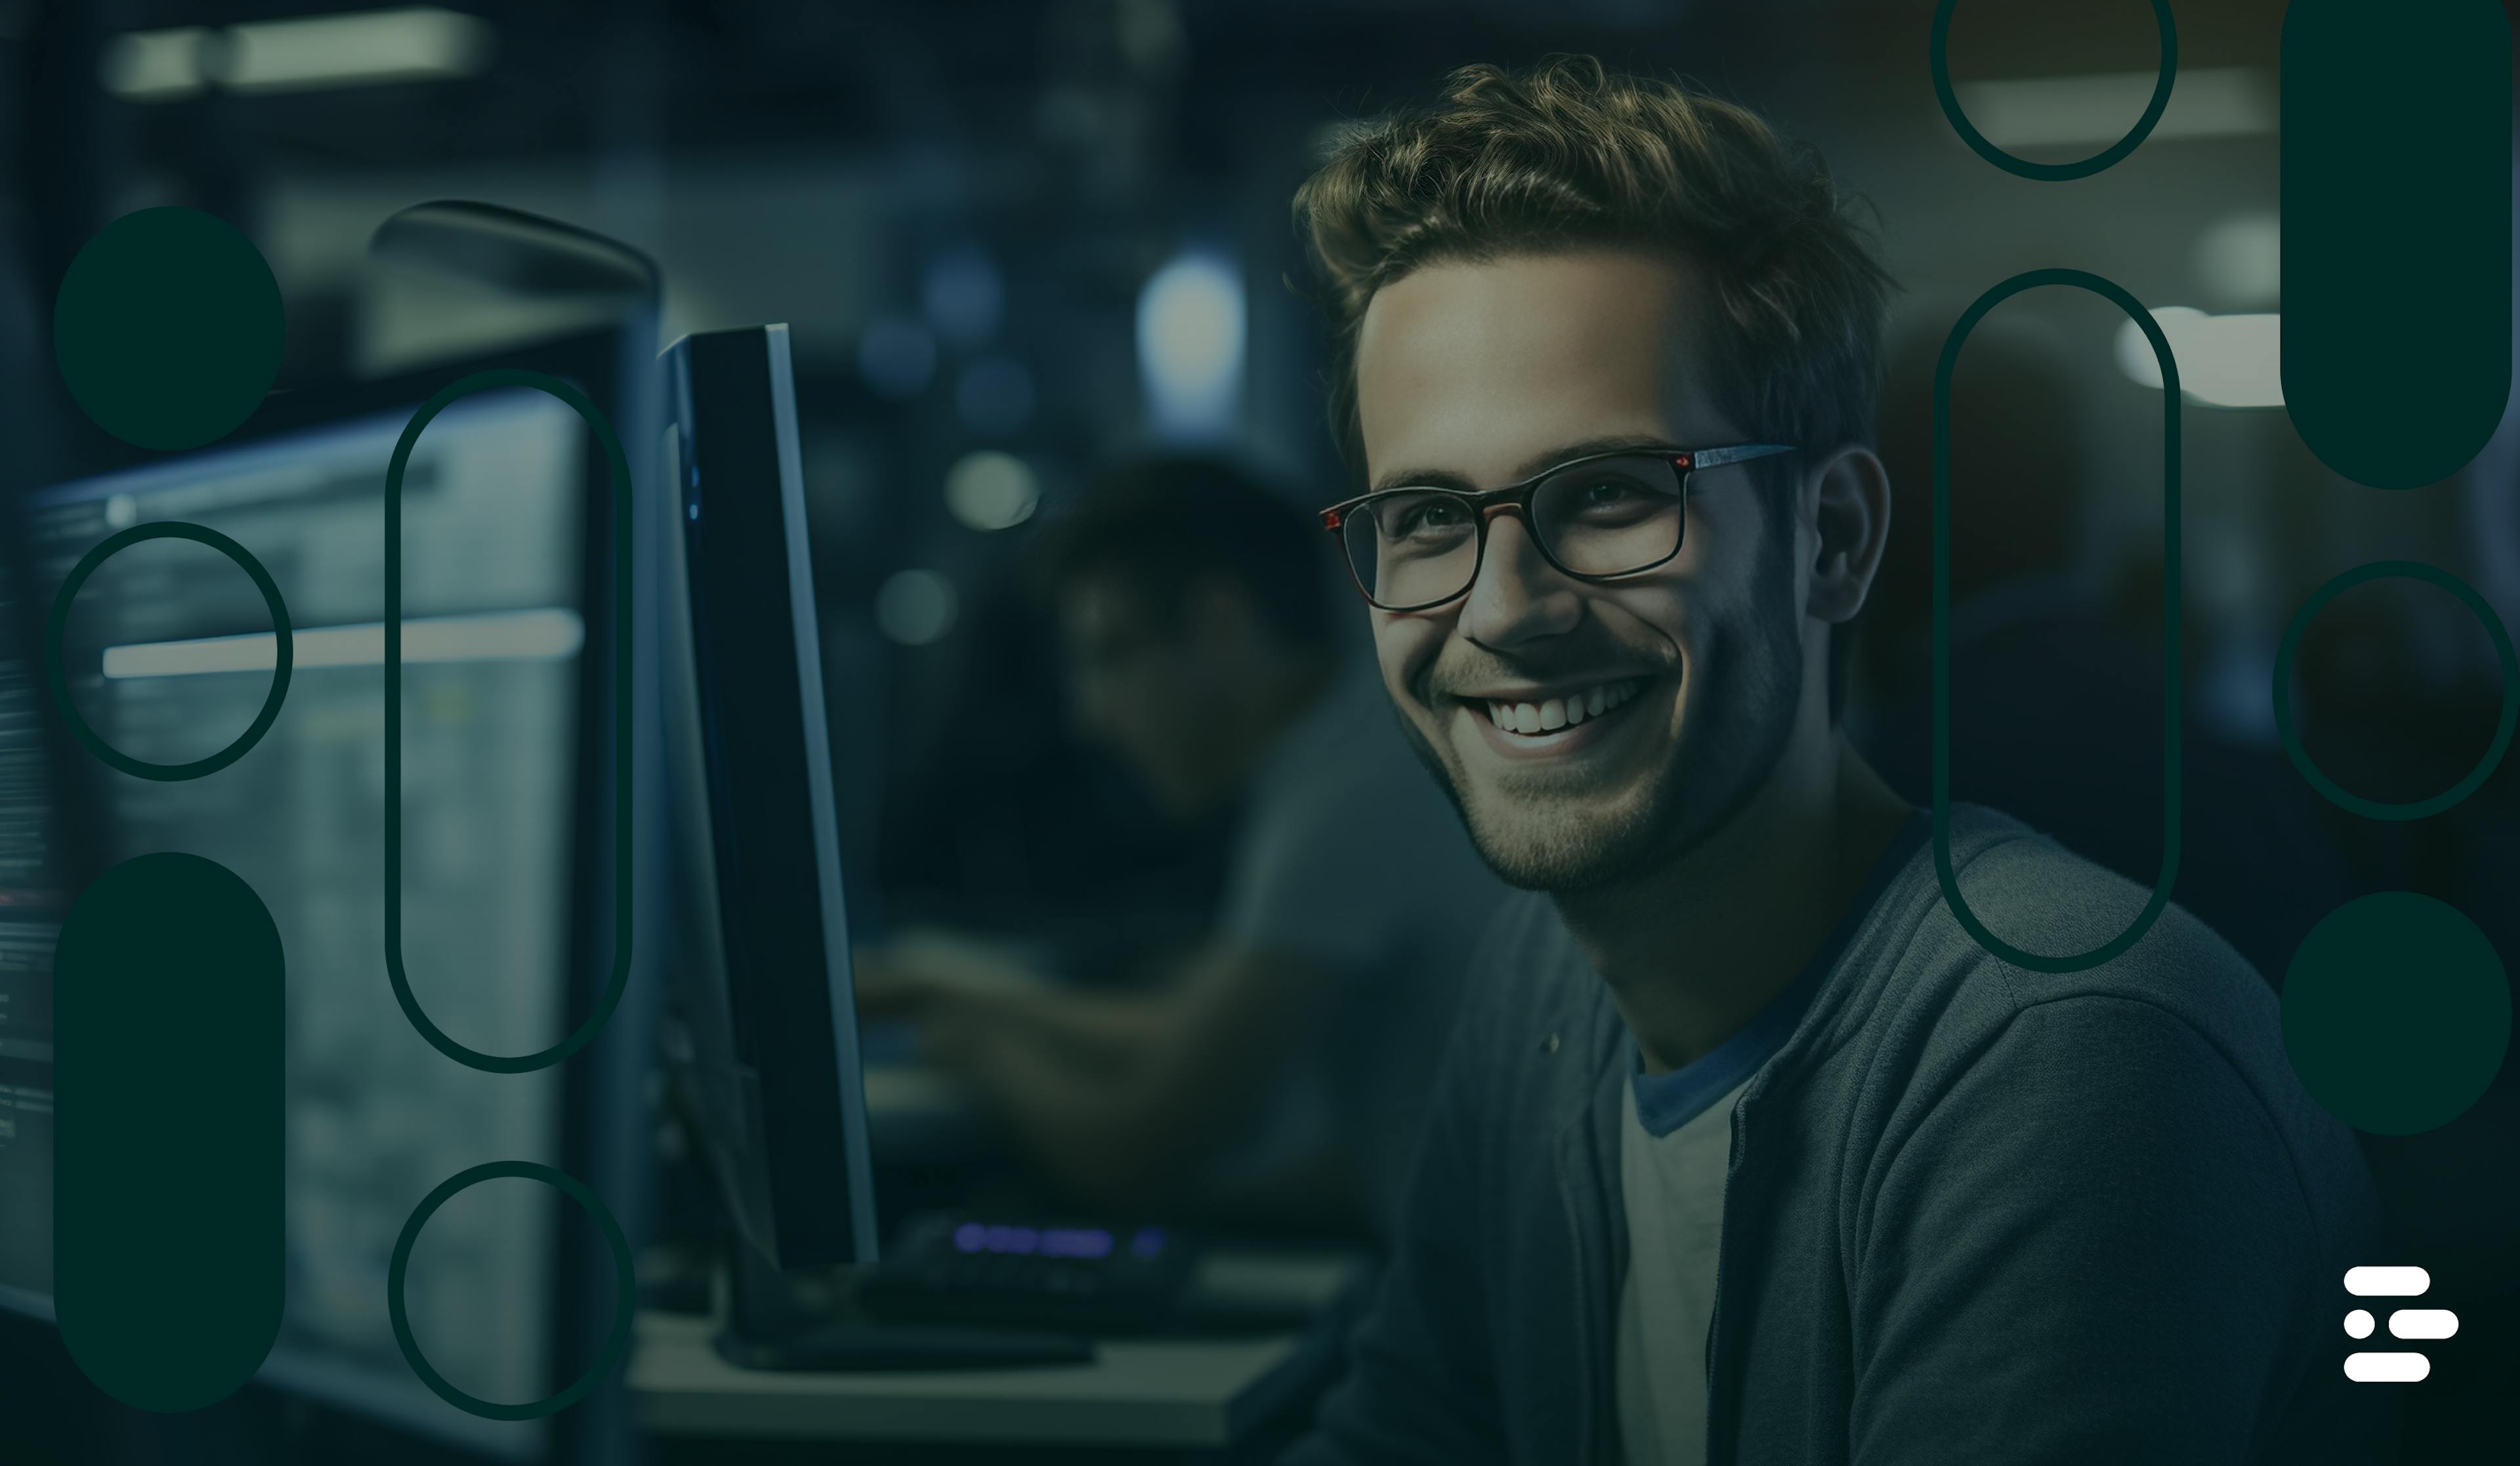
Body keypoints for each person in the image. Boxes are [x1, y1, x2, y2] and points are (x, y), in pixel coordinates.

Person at [1280, 58, 2387, 1465]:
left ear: (1839, 538)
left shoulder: (2068, 1054)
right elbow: (1409, 1430)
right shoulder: (1543, 985)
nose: (1503, 609)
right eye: (1429, 518)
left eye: (1615, 494)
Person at [860, 455, 1504, 1239]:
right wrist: (950, 990)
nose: (1092, 714)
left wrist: (977, 1046)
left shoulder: (1350, 800)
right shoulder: (1354, 743)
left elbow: (1136, 1146)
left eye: (1113, 652)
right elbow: (1185, 1028)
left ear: (1221, 622)